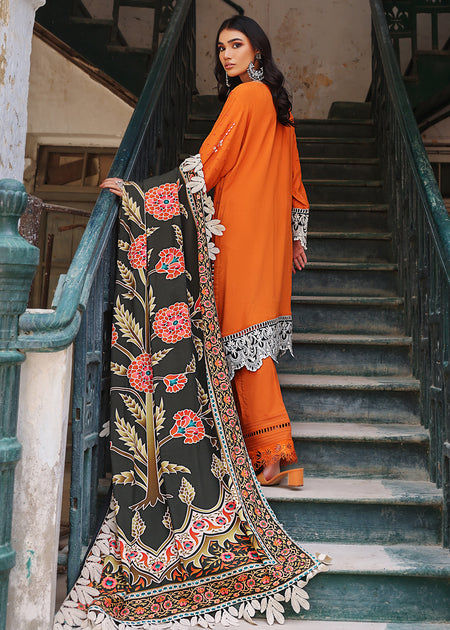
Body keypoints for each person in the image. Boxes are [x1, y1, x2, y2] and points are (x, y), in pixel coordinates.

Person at [102, 16, 309, 488]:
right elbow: (296, 182)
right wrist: (297, 239)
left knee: (241, 338)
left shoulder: (246, 96)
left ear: (258, 50)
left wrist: (142, 192)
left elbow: (208, 163)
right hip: (270, 239)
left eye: (236, 45)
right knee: (251, 339)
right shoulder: (279, 105)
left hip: (240, 234)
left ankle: (274, 453)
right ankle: (271, 453)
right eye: (221, 48)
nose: (227, 55)